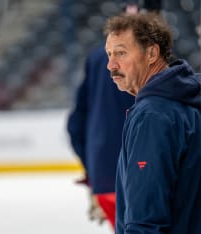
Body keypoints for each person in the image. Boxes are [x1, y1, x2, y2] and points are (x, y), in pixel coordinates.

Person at [104, 13, 201, 233]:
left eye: (121, 53)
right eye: (109, 54)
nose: (111, 65)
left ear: (151, 53)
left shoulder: (153, 116)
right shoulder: (187, 98)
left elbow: (145, 219)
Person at [67, 0, 161, 228]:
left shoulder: (97, 58)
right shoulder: (156, 61)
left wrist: (93, 171)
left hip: (105, 176)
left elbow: (75, 124)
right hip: (144, 175)